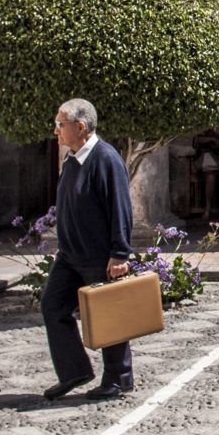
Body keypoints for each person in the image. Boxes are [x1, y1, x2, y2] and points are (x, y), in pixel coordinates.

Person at [43, 98, 136, 401]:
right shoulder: (72, 159)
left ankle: (119, 379)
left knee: (108, 316)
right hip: (70, 256)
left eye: (60, 124)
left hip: (98, 255)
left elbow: (120, 208)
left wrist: (120, 253)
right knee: (53, 306)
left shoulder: (105, 159)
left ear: (80, 126)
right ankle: (74, 371)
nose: (56, 130)